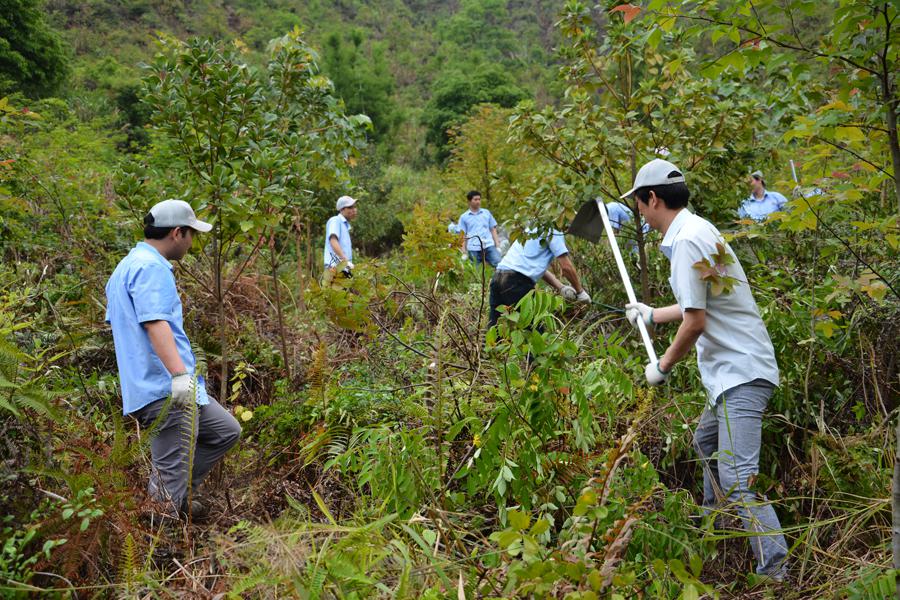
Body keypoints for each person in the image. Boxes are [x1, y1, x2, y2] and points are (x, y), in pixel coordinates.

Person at [621, 159, 788, 581]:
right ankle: (718, 536)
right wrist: (653, 314)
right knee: (704, 442)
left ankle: (775, 571)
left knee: (737, 479)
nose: (640, 213)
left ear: (652, 199)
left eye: (639, 204)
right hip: (735, 372)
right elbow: (703, 302)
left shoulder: (686, 243)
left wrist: (662, 365)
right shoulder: (699, 231)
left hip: (741, 373)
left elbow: (696, 322)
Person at [105, 200, 241, 520]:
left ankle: (179, 496)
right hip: (164, 390)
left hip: (165, 386)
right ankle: (162, 541)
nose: (192, 242)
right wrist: (179, 375)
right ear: (177, 233)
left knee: (225, 431)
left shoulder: (127, 265)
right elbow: (154, 323)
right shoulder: (150, 267)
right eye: (191, 234)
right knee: (167, 482)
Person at [488, 228, 590, 328]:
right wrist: (580, 292)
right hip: (516, 284)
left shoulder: (533, 228)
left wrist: (561, 287)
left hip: (498, 278)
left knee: (497, 327)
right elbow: (566, 267)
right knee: (534, 329)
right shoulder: (554, 231)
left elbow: (534, 266)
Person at [457, 190, 502, 267]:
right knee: (476, 271)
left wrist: (497, 245)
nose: (478, 201)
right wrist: (464, 251)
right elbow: (462, 235)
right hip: (473, 247)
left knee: (499, 264)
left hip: (488, 245)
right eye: (475, 199)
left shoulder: (486, 213)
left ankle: (499, 279)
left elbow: (493, 229)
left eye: (479, 199)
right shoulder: (464, 217)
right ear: (469, 201)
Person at [324, 195, 358, 276]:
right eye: (350, 207)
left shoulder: (345, 226)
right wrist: (345, 261)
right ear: (342, 209)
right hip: (335, 268)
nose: (354, 210)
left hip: (343, 268)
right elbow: (333, 240)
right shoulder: (335, 220)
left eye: (354, 207)